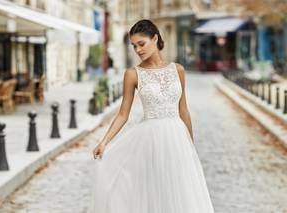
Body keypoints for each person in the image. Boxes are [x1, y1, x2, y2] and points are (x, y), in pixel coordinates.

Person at [88, 19, 215, 213]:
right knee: (154, 192)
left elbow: (183, 110)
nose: (138, 50)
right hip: (150, 141)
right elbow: (123, 114)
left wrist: (190, 146)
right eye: (133, 46)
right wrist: (104, 141)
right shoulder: (133, 74)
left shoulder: (178, 70)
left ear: (155, 38)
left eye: (141, 44)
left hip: (177, 140)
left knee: (179, 192)